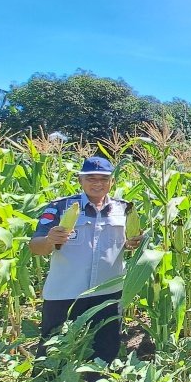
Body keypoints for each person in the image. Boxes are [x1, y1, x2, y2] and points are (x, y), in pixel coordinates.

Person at [29, 156, 142, 364]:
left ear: (112, 182)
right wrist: (49, 240)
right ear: (80, 180)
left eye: (103, 178)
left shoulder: (125, 208)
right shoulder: (60, 207)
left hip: (108, 292)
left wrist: (130, 244)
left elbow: (125, 243)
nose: (97, 183)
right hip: (65, 293)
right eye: (91, 178)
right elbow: (35, 247)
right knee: (53, 349)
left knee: (106, 347)